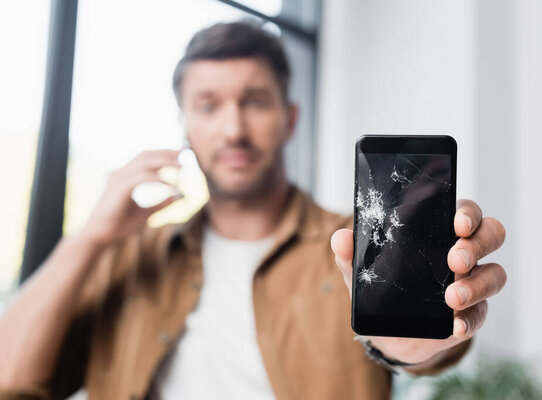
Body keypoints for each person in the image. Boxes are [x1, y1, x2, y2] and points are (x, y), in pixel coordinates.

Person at [0, 21, 507, 399]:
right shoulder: (131, 256)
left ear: (289, 119)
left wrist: (405, 348)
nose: (233, 129)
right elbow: (11, 379)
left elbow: (420, 351)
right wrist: (89, 238)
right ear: (184, 125)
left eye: (255, 101)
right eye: (208, 105)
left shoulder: (357, 244)